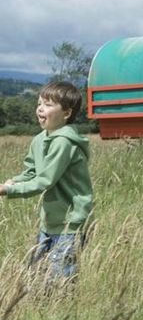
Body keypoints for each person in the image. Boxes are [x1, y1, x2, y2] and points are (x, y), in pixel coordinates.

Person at [0, 81, 93, 284]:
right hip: (50, 221)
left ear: (67, 113)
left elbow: (44, 181)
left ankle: (62, 311)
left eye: (49, 104)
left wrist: (9, 190)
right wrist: (14, 181)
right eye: (40, 103)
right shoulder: (39, 140)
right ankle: (42, 310)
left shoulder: (64, 143)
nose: (41, 108)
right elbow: (32, 172)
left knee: (61, 281)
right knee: (37, 275)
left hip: (70, 223)